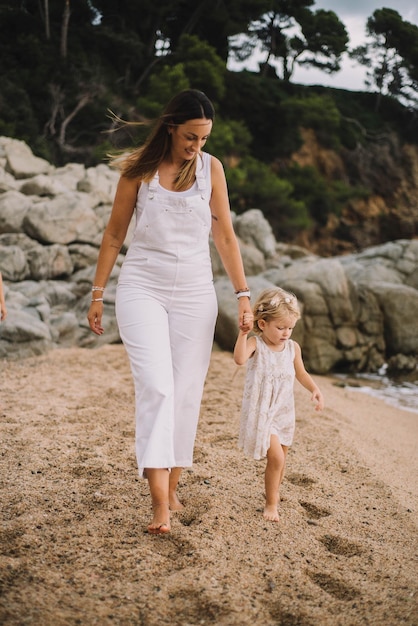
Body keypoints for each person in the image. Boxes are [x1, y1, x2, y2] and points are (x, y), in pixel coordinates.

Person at [87, 89, 253, 534]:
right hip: (143, 287)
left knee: (185, 393)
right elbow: (114, 236)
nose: (196, 147)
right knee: (158, 387)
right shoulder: (139, 171)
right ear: (171, 127)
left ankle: (171, 482)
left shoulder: (211, 169)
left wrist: (242, 294)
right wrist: (98, 292)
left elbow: (226, 237)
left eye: (203, 139)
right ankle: (159, 504)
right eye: (190, 138)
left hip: (196, 294)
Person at [234, 287, 324, 523]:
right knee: (276, 459)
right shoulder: (257, 344)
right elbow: (239, 358)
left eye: (290, 328)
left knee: (282, 459)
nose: (286, 333)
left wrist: (314, 389)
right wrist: (243, 334)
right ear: (262, 324)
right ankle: (271, 503)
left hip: (284, 411)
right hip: (263, 411)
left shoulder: (292, 348)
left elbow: (301, 373)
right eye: (281, 328)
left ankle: (274, 491)